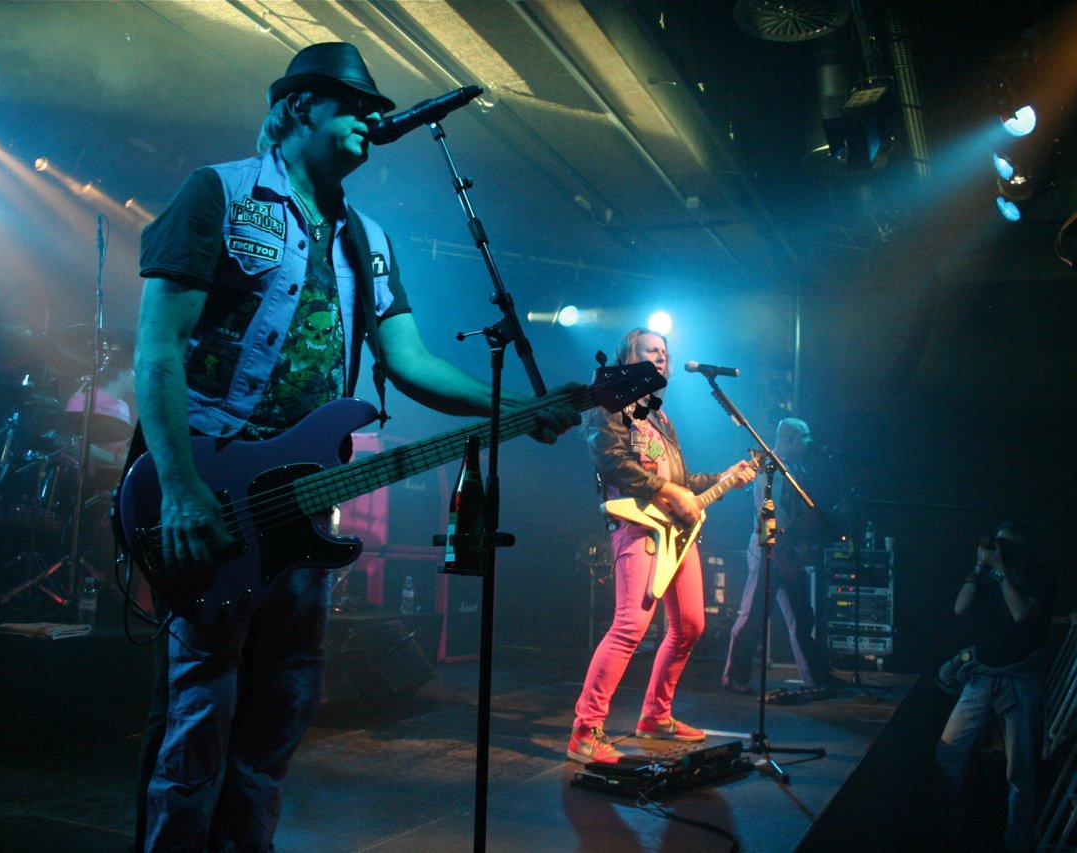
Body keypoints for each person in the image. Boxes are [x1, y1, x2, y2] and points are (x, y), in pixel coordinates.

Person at [131, 42, 578, 850]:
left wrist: (520, 406)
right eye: (356, 104)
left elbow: (409, 362)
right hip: (214, 485)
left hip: (304, 502)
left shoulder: (367, 239)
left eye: (377, 109)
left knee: (283, 703)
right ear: (301, 105)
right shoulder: (220, 193)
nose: (374, 118)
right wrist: (182, 486)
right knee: (201, 709)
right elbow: (158, 348)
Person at [568, 328, 755, 764]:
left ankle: (655, 715)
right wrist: (667, 492)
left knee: (690, 625)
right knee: (631, 624)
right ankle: (585, 729)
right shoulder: (610, 402)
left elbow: (681, 482)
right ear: (628, 357)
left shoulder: (660, 418)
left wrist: (724, 479)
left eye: (665, 353)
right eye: (651, 350)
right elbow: (610, 459)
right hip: (637, 524)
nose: (661, 357)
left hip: (674, 531)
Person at [936, 522, 1055, 853]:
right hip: (983, 676)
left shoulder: (1038, 577)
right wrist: (979, 567)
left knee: (1020, 772)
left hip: (1020, 680)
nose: (1001, 550)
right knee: (948, 753)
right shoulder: (987, 575)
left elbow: (1021, 614)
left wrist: (1002, 572)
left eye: (1008, 545)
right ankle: (951, 832)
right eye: (999, 544)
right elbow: (960, 608)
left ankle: (1017, 843)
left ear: (1025, 548)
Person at [722, 417, 841, 694]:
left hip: (786, 551)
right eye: (805, 437)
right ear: (789, 439)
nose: (809, 442)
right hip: (771, 550)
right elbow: (766, 510)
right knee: (753, 616)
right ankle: (735, 677)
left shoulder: (793, 467)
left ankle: (816, 676)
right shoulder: (770, 465)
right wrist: (777, 550)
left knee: (802, 616)